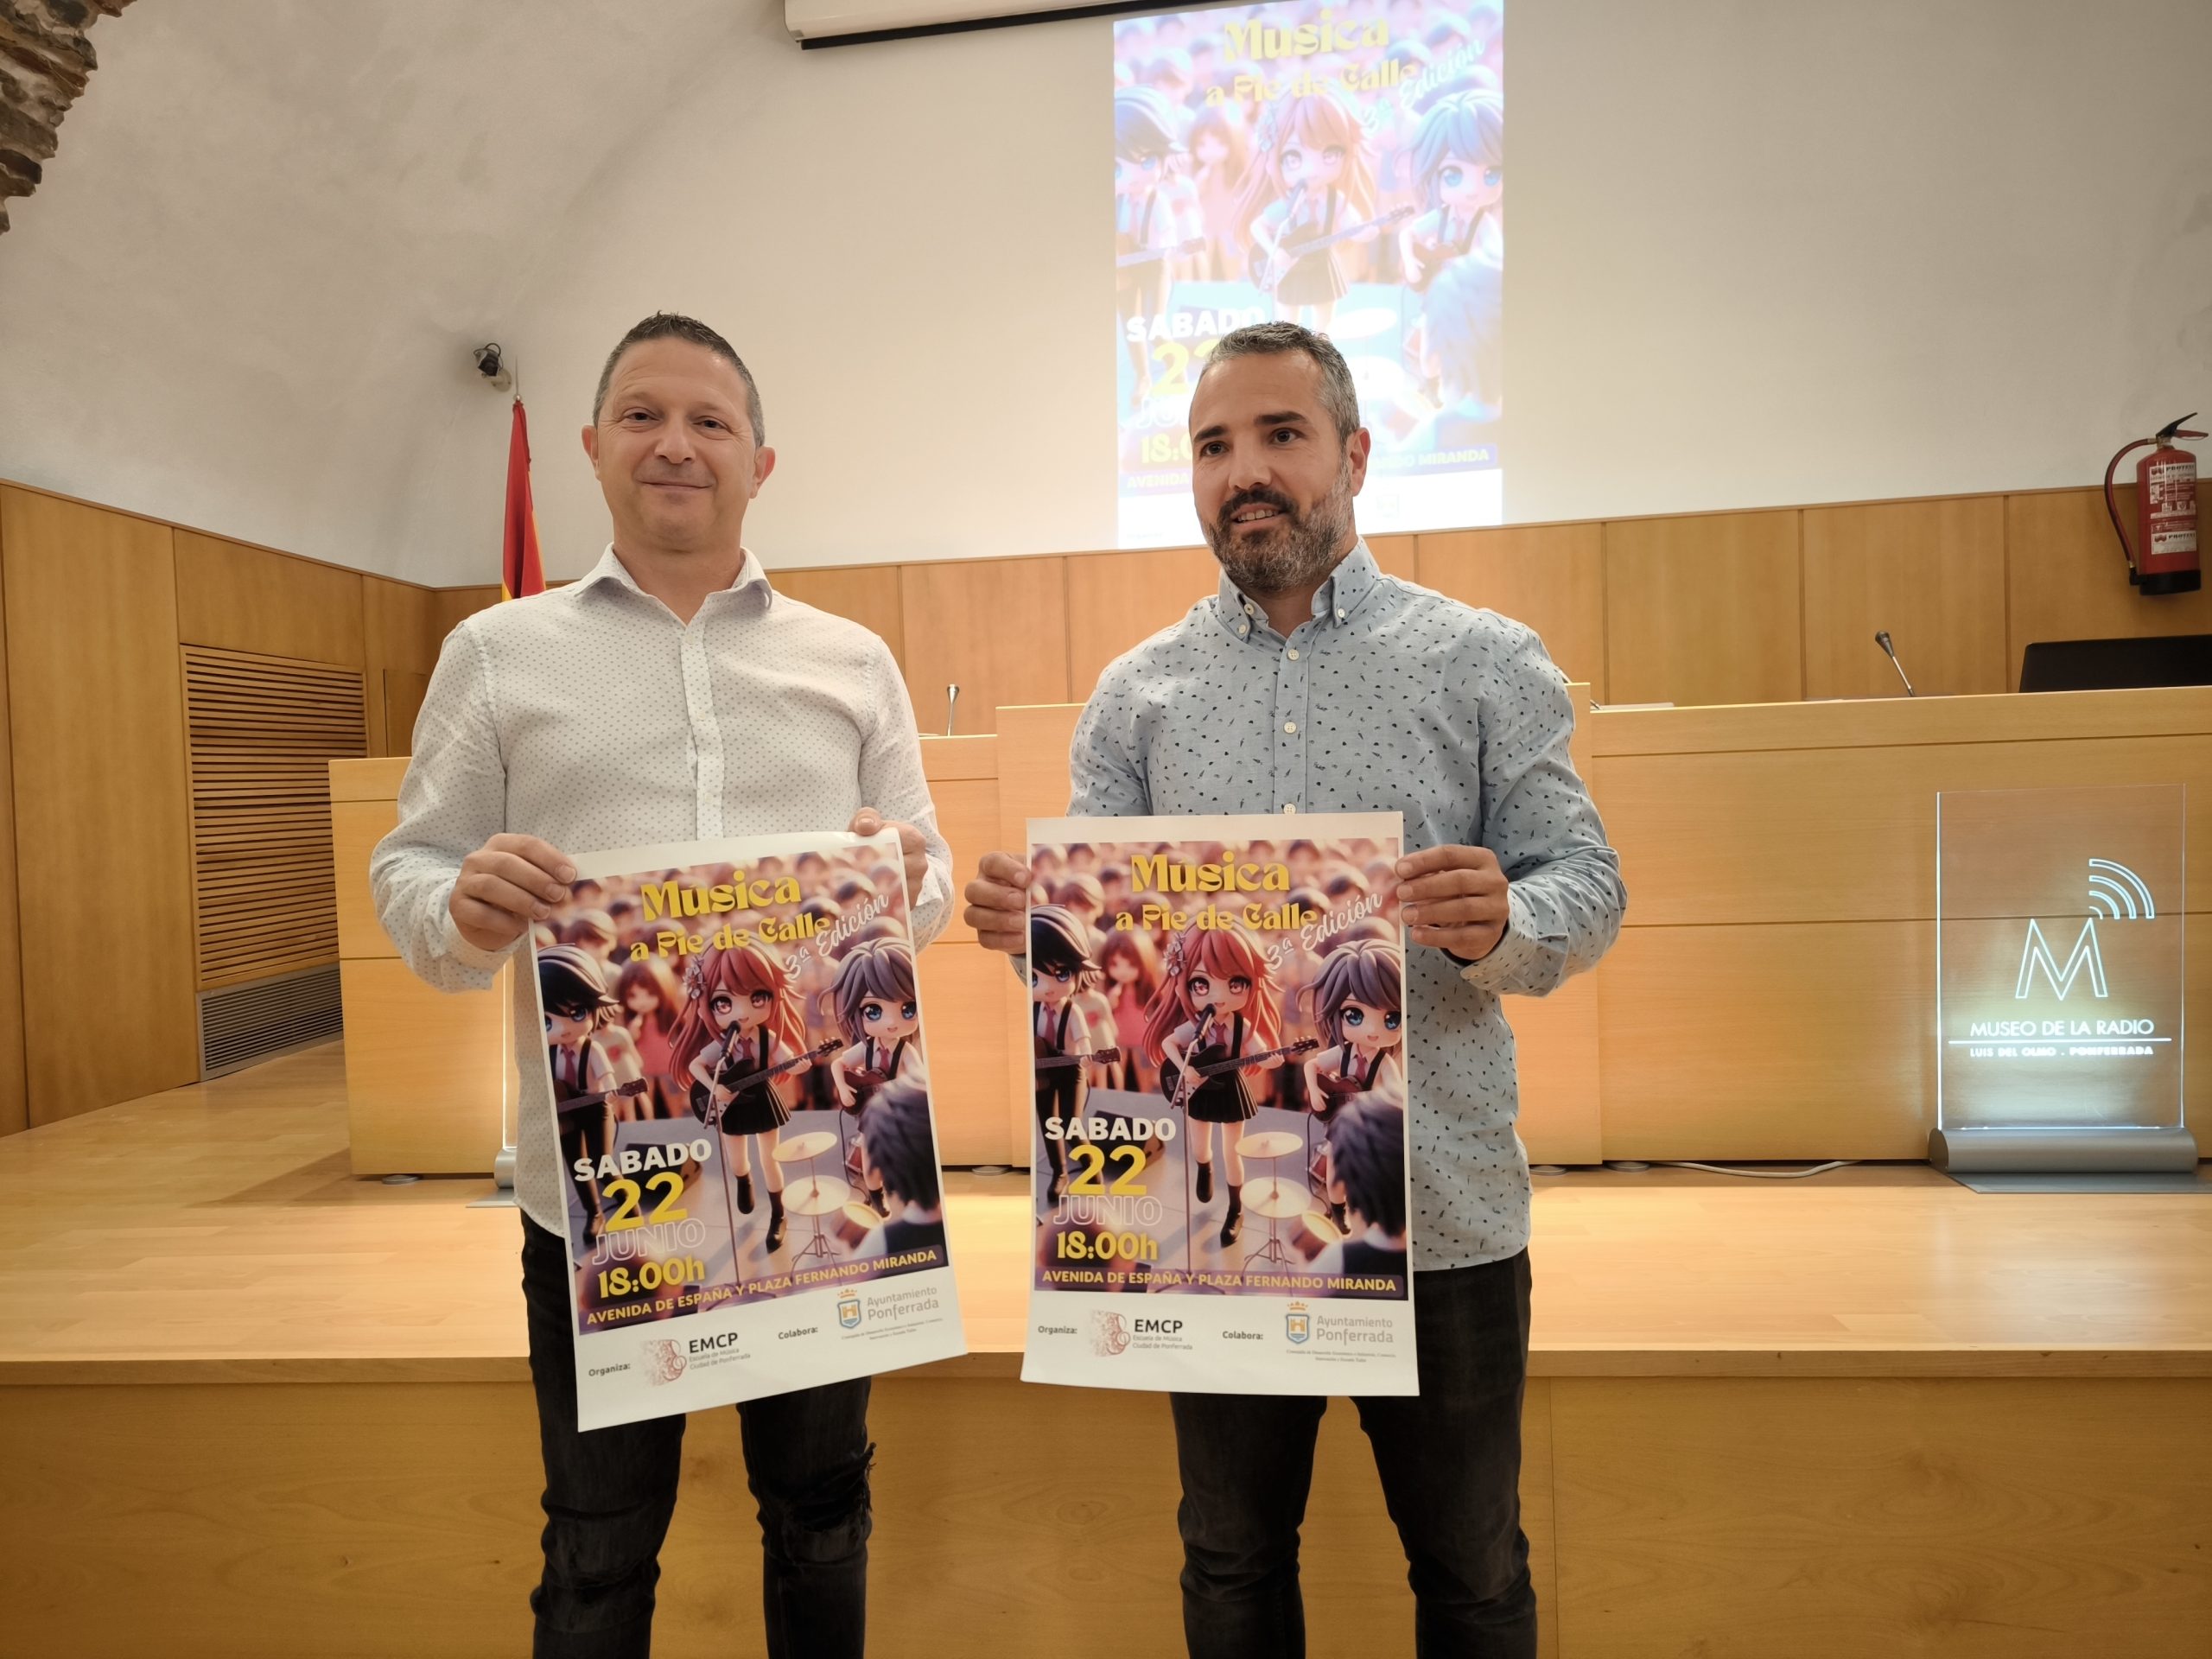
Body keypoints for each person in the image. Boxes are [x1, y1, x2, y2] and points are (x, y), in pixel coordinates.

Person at [964, 321, 1624, 1658]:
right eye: (1214, 446)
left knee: (1475, 1575)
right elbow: (1113, 968)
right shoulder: (1136, 697)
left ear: (1357, 455)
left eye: (1280, 436)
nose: (1244, 471)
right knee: (1231, 1566)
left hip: (1432, 1207)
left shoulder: (1486, 660)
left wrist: (1505, 917)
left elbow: (1589, 886)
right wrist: (1040, 930)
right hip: (1218, 1221)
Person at [372, 311, 952, 1659]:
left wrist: (902, 878)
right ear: (590, 446)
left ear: (762, 458)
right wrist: (457, 908)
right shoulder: (499, 654)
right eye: (643, 415)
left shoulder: (851, 659)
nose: (676, 444)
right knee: (596, 1550)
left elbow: (917, 885)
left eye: (710, 421)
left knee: (822, 1516)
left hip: (812, 1184)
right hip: (595, 1193)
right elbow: (413, 865)